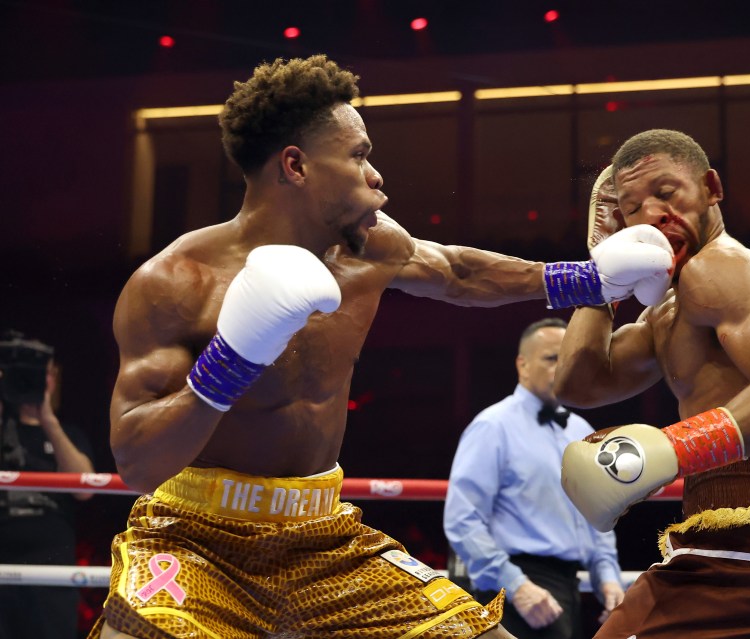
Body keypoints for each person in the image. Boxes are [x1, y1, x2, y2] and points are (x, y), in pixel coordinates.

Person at [88, 54, 669, 639]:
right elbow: (137, 463)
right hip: (196, 536)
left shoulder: (370, 248)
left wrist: (590, 279)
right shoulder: (177, 283)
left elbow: (460, 272)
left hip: (321, 535)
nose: (376, 176)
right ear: (295, 166)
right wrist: (230, 361)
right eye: (359, 155)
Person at [554, 129, 750, 638]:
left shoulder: (719, 267)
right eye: (632, 207)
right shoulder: (668, 310)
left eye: (666, 191)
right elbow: (579, 384)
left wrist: (673, 448)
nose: (651, 213)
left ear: (711, 188)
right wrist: (601, 277)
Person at [444, 318, 625, 639]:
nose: (561, 367)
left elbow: (598, 514)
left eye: (567, 359)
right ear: (523, 365)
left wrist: (607, 576)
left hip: (568, 586)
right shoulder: (493, 426)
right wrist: (516, 585)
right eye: (551, 358)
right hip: (511, 587)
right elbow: (462, 520)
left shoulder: (582, 431)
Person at [0, 333, 95, 639]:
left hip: (50, 556)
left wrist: (47, 419)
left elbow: (85, 488)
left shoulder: (67, 433)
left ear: (54, 378)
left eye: (45, 373)